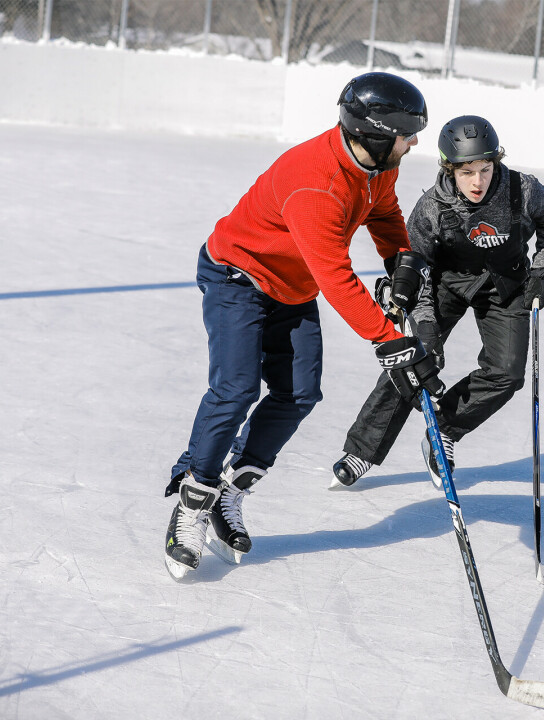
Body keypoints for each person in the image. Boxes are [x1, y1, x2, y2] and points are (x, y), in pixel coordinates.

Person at [163, 72, 445, 580]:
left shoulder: (379, 164)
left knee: (298, 393)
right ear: (379, 135)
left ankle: (232, 491)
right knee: (236, 388)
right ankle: (193, 501)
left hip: (290, 286)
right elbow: (335, 278)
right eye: (408, 133)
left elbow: (382, 211)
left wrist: (400, 259)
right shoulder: (317, 184)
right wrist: (389, 339)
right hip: (238, 276)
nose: (415, 142)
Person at [330, 115, 544, 489]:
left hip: (505, 284)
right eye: (467, 171)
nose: (478, 181)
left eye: (485, 169)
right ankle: (362, 450)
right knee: (415, 360)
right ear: (449, 168)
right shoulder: (431, 209)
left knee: (507, 373)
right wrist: (423, 325)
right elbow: (416, 270)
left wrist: (542, 269)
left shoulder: (524, 191)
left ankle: (445, 432)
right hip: (446, 285)